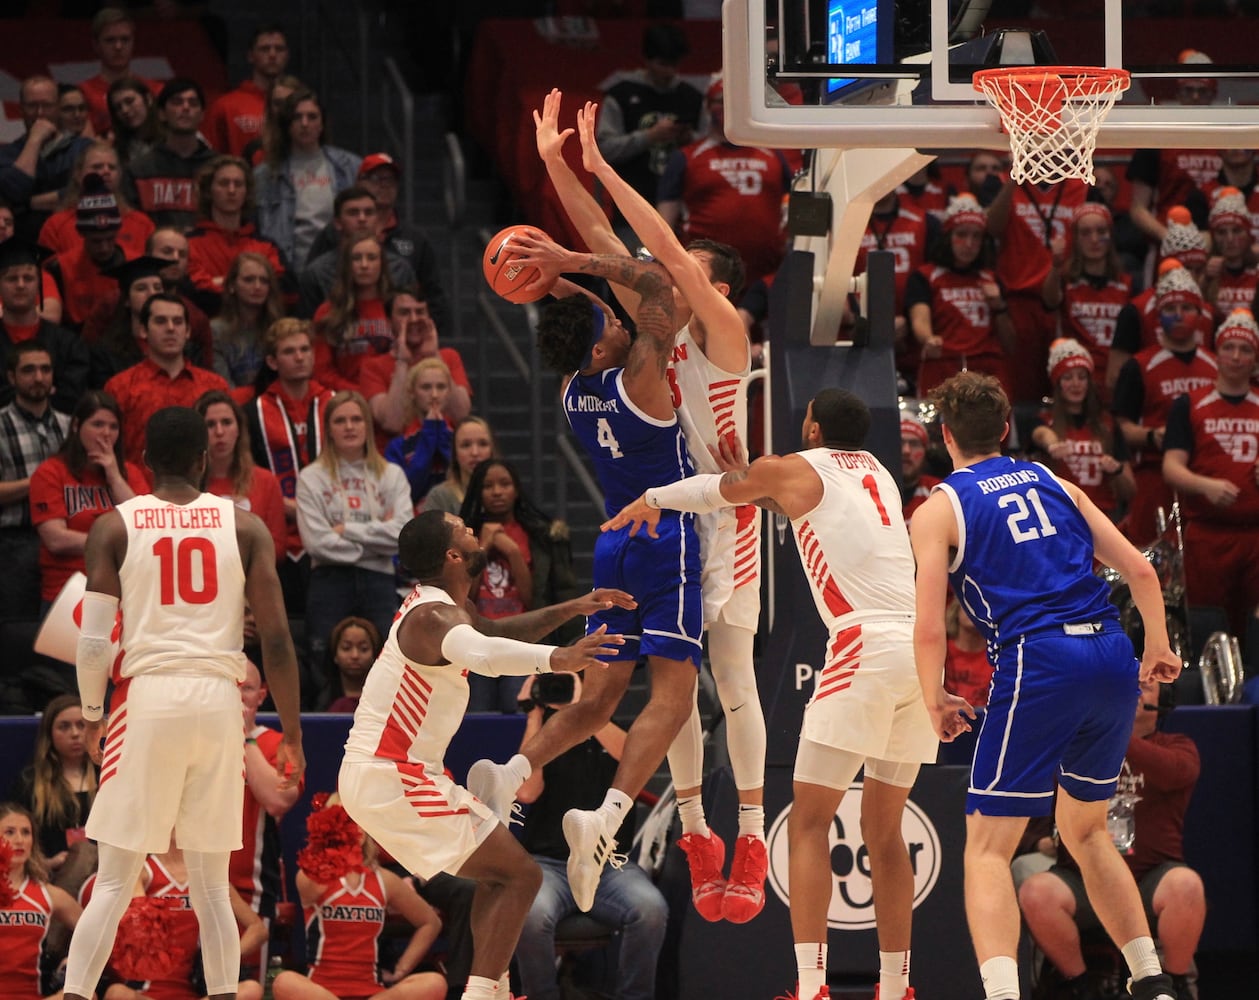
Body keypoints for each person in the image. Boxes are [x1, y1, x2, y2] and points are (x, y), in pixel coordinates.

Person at [524, 89, 768, 925]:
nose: (667, 279)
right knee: (679, 679)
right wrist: (561, 167)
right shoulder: (649, 341)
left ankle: (748, 832)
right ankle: (695, 832)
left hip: (722, 516)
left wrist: (593, 165)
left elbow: (652, 252)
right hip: (663, 517)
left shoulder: (724, 335)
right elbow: (604, 245)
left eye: (686, 275)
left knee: (726, 682)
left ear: (714, 285)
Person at [604, 387, 938, 1000]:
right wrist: (754, 476)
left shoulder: (794, 468)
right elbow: (805, 511)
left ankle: (812, 988)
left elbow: (715, 493)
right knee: (885, 835)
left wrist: (651, 497)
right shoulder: (882, 476)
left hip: (863, 646)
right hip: (917, 655)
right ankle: (897, 990)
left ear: (811, 426)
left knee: (808, 825)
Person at [909, 370, 1184, 1000]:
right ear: (1006, 429)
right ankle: (1151, 981)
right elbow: (1141, 569)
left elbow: (928, 627)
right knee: (1086, 831)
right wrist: (1160, 646)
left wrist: (935, 697)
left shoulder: (939, 507)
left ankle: (1004, 995)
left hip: (1040, 657)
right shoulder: (1056, 483)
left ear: (945, 436)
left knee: (985, 847)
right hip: (1112, 651)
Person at [60, 404, 305, 1000]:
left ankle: (74, 995)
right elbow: (274, 637)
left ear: (142, 461)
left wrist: (94, 714)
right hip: (218, 700)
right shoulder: (244, 527)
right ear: (205, 459)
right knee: (214, 885)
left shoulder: (114, 526)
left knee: (115, 878)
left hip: (149, 697)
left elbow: (93, 642)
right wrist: (293, 733)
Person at [337, 509, 629, 1000]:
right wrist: (560, 658)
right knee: (522, 875)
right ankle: (481, 992)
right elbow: (487, 657)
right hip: (392, 774)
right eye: (464, 530)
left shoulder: (447, 609)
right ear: (454, 555)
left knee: (499, 879)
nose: (474, 531)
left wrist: (571, 608)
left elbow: (495, 634)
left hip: (396, 773)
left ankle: (484, 988)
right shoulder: (433, 617)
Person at [1018, 677, 1203, 1000]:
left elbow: (1178, 772)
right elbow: (1036, 798)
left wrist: (1113, 733)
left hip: (1151, 875)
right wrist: (1038, 841)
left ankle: (1173, 983)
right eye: (1128, 686)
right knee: (1037, 893)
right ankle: (1081, 985)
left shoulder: (1177, 745)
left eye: (1145, 687)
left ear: (1164, 701)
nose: (1134, 691)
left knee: (1186, 887)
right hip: (1082, 878)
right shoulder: (1075, 747)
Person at [513, 672, 669, 1000]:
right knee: (529, 914)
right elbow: (526, 792)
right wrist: (535, 714)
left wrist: (586, 709)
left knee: (650, 908)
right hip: (549, 866)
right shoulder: (543, 738)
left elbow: (632, 755)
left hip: (609, 864)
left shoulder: (609, 732)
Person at [295, 390, 410, 704]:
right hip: (329, 582)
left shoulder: (391, 474)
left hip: (379, 582)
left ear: (368, 426)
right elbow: (318, 544)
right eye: (340, 420)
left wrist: (347, 530)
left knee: (390, 661)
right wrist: (376, 543)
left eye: (356, 419)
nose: (349, 426)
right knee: (322, 669)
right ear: (328, 428)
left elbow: (402, 535)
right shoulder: (311, 478)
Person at [272, 795, 447, 1000]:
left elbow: (430, 922)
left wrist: (400, 970)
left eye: (357, 819)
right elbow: (314, 876)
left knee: (435, 983)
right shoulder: (312, 877)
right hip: (321, 992)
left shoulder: (384, 880)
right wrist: (330, 845)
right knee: (284, 982)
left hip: (372, 993)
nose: (353, 827)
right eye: (344, 820)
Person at [1161, 307, 1259, 643]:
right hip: (1207, 535)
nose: (1236, 356)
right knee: (1207, 629)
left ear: (1255, 358)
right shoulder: (1189, 404)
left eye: (1245, 349)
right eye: (1229, 347)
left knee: (1254, 633)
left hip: (1256, 536)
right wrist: (1206, 485)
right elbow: (1171, 466)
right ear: (1216, 353)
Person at [459, 457, 581, 712]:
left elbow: (532, 598)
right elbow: (463, 596)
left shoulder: (539, 535)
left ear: (516, 489)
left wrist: (513, 552)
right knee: (475, 718)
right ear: (477, 492)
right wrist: (484, 549)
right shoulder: (463, 536)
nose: (497, 492)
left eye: (505, 484)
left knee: (520, 715)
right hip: (475, 641)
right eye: (488, 485)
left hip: (522, 642)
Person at [1111, 263, 1218, 547]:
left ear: (1200, 314)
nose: (1179, 315)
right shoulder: (1140, 365)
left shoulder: (1216, 364)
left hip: (1203, 477)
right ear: (1158, 316)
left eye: (1187, 307)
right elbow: (1119, 428)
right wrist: (1151, 436)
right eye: (1171, 309)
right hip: (1153, 477)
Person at [656, 75, 792, 288]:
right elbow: (664, 221)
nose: (728, 107)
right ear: (708, 106)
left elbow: (797, 201)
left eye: (734, 101)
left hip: (768, 272)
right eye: (720, 100)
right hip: (705, 275)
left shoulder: (773, 153)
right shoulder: (687, 156)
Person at [98, 837, 268, 1000]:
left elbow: (258, 929)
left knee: (251, 990)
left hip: (198, 992)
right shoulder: (142, 872)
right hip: (148, 992)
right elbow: (133, 926)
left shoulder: (209, 876)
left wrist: (222, 958)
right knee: (117, 993)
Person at [245, 318, 335, 612]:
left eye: (305, 349)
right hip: (278, 534)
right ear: (272, 361)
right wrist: (278, 503)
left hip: (331, 532)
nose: (299, 357)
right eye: (289, 351)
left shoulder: (334, 405)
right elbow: (248, 472)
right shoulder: (255, 412)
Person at [305, 155, 451, 333]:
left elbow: (431, 298)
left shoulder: (408, 253)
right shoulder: (323, 257)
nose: (383, 184)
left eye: (389, 179)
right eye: (375, 178)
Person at [29, 390, 147, 609]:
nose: (106, 434)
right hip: (67, 591)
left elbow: (145, 525)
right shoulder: (50, 472)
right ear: (76, 426)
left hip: (123, 590)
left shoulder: (129, 473)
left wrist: (114, 476)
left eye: (113, 427)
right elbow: (56, 539)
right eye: (97, 424)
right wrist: (110, 544)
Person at [596, 23, 703, 251]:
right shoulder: (622, 95)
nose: (668, 72)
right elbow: (604, 148)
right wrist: (650, 136)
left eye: (673, 65)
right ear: (646, 59)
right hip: (632, 208)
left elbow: (707, 147)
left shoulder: (691, 97)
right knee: (634, 276)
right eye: (662, 64)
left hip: (684, 212)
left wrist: (688, 138)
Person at [232, 659, 302, 980]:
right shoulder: (195, 737)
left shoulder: (279, 744)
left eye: (246, 688)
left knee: (243, 985)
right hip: (189, 885)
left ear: (261, 695)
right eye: (230, 686)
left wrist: (245, 737)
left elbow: (277, 801)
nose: (237, 696)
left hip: (251, 887)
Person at [906, 194, 1016, 399]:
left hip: (987, 370)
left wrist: (998, 306)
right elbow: (919, 318)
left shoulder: (991, 279)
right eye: (962, 234)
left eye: (976, 236)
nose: (969, 243)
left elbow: (1010, 343)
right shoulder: (926, 276)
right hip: (943, 366)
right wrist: (929, 339)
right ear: (948, 236)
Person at [103, 292, 229, 464]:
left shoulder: (215, 386)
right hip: (136, 488)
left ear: (188, 331)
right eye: (160, 321)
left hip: (204, 487)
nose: (170, 328)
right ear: (143, 330)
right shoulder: (119, 387)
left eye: (178, 322)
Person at [254, 89, 361, 273]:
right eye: (297, 117)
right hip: (287, 271)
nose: (305, 124)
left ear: (322, 123)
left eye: (312, 117)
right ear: (287, 124)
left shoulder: (349, 167)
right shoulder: (265, 175)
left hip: (338, 269)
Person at [0, 343, 70, 620]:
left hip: (66, 540)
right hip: (15, 540)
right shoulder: (1, 425)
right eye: (28, 370)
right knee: (18, 630)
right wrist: (42, 482)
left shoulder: (71, 425)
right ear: (11, 377)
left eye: (45, 369)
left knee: (65, 628)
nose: (39, 377)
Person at [1030, 339, 1134, 523]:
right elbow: (1040, 434)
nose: (1075, 384)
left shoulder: (1108, 424)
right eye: (1068, 377)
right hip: (1058, 517)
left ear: (1089, 381)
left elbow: (1130, 490)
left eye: (1081, 376)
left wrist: (1116, 470)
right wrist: (1052, 444)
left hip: (1101, 518)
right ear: (1057, 383)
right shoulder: (1045, 420)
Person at [10, 694, 99, 898]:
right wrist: (47, 863)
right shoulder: (30, 783)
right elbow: (14, 836)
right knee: (83, 852)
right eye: (64, 727)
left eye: (81, 725)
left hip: (106, 871)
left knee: (87, 853)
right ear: (49, 734)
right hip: (51, 872)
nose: (75, 733)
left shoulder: (109, 775)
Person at [1041, 201, 1133, 395]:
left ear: (1111, 236)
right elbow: (1049, 300)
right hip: (1076, 381)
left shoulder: (1127, 284)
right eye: (1085, 233)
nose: (1094, 239)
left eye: (1101, 232)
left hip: (1116, 380)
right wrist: (1055, 266)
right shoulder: (1065, 280)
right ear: (1075, 239)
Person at [362, 287, 472, 441]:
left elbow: (460, 415)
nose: (414, 319)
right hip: (395, 458)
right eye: (404, 313)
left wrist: (434, 356)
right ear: (388, 321)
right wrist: (402, 362)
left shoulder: (449, 357)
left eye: (420, 312)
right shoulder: (372, 367)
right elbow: (392, 423)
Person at [0, 802, 82, 1000]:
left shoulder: (47, 894)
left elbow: (96, 933)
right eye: (9, 832)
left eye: (26, 832)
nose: (19, 840)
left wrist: (75, 962)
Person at [298, 186, 417, 320]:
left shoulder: (400, 269)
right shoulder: (317, 273)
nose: (362, 218)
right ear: (337, 223)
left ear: (377, 219)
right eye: (353, 213)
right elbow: (308, 328)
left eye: (369, 212)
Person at [195, 389, 287, 562]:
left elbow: (279, 548)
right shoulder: (188, 485)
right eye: (210, 424)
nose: (220, 432)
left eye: (227, 422)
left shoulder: (265, 481)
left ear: (239, 429)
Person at [186, 156, 285, 314]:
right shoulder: (189, 245)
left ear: (247, 192)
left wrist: (218, 281)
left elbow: (279, 286)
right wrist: (247, 287)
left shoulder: (267, 246)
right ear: (208, 191)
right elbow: (197, 293)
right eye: (224, 183)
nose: (231, 191)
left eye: (238, 184)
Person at [0, 240, 88, 414]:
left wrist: (15, 392)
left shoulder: (68, 343)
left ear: (39, 284)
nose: (20, 285)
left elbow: (72, 398)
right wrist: (45, 391)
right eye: (11, 279)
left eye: (28, 278)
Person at [0, 75, 92, 242]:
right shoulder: (6, 154)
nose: (40, 113)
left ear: (58, 108)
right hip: (23, 247)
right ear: (20, 109)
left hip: (75, 241)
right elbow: (14, 192)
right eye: (32, 106)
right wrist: (35, 141)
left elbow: (86, 191)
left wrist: (29, 204)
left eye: (47, 105)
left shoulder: (83, 148)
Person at [121, 78, 217, 232]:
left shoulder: (218, 168)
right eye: (177, 102)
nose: (186, 108)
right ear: (161, 114)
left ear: (202, 115)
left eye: (193, 103)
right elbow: (132, 226)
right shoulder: (139, 170)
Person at [38, 142, 154, 260]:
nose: (106, 171)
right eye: (97, 167)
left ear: (119, 175)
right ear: (78, 174)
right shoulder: (55, 226)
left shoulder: (142, 224)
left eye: (112, 167)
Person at [312, 235, 394, 391]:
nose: (364, 265)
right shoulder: (328, 312)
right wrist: (358, 394)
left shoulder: (397, 307)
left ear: (382, 264)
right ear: (346, 265)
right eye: (356, 258)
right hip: (346, 401)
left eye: (371, 258)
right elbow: (321, 372)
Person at [44, 177, 127, 331]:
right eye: (96, 241)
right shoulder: (59, 268)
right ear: (81, 234)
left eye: (110, 239)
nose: (104, 247)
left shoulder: (134, 263)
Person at [205, 25, 291, 157]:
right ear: (251, 56)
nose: (273, 54)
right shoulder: (225, 106)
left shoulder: (299, 103)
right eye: (265, 49)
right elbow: (210, 157)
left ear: (287, 56)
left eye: (279, 49)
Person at [383, 357, 455, 509]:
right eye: (426, 387)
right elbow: (407, 492)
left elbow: (465, 483)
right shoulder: (398, 447)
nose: (434, 395)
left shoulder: (460, 439)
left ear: (449, 392)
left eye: (441, 387)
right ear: (412, 392)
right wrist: (429, 433)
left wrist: (441, 433)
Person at [79, 8, 161, 138]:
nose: (118, 46)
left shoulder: (155, 90)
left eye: (125, 39)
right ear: (96, 45)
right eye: (110, 40)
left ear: (133, 42)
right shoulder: (82, 93)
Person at [210, 251, 286, 389]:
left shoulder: (280, 330)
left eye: (264, 281)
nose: (257, 287)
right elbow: (222, 385)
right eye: (249, 280)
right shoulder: (215, 331)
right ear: (232, 285)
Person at [421, 416, 496, 516]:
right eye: (466, 445)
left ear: (492, 450)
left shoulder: (504, 493)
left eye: (482, 444)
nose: (475, 452)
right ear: (455, 453)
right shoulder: (439, 497)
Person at [324, 616, 380, 713]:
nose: (355, 655)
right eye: (346, 648)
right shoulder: (320, 701)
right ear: (335, 655)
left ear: (374, 656)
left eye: (363, 649)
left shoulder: (388, 700)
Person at [106, 77, 162, 171]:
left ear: (148, 99)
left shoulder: (174, 139)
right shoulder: (116, 149)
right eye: (118, 107)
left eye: (129, 101)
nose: (125, 110)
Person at [899, 412, 940, 523]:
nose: (906, 451)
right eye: (900, 443)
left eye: (914, 444)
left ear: (925, 451)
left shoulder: (938, 492)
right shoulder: (874, 489)